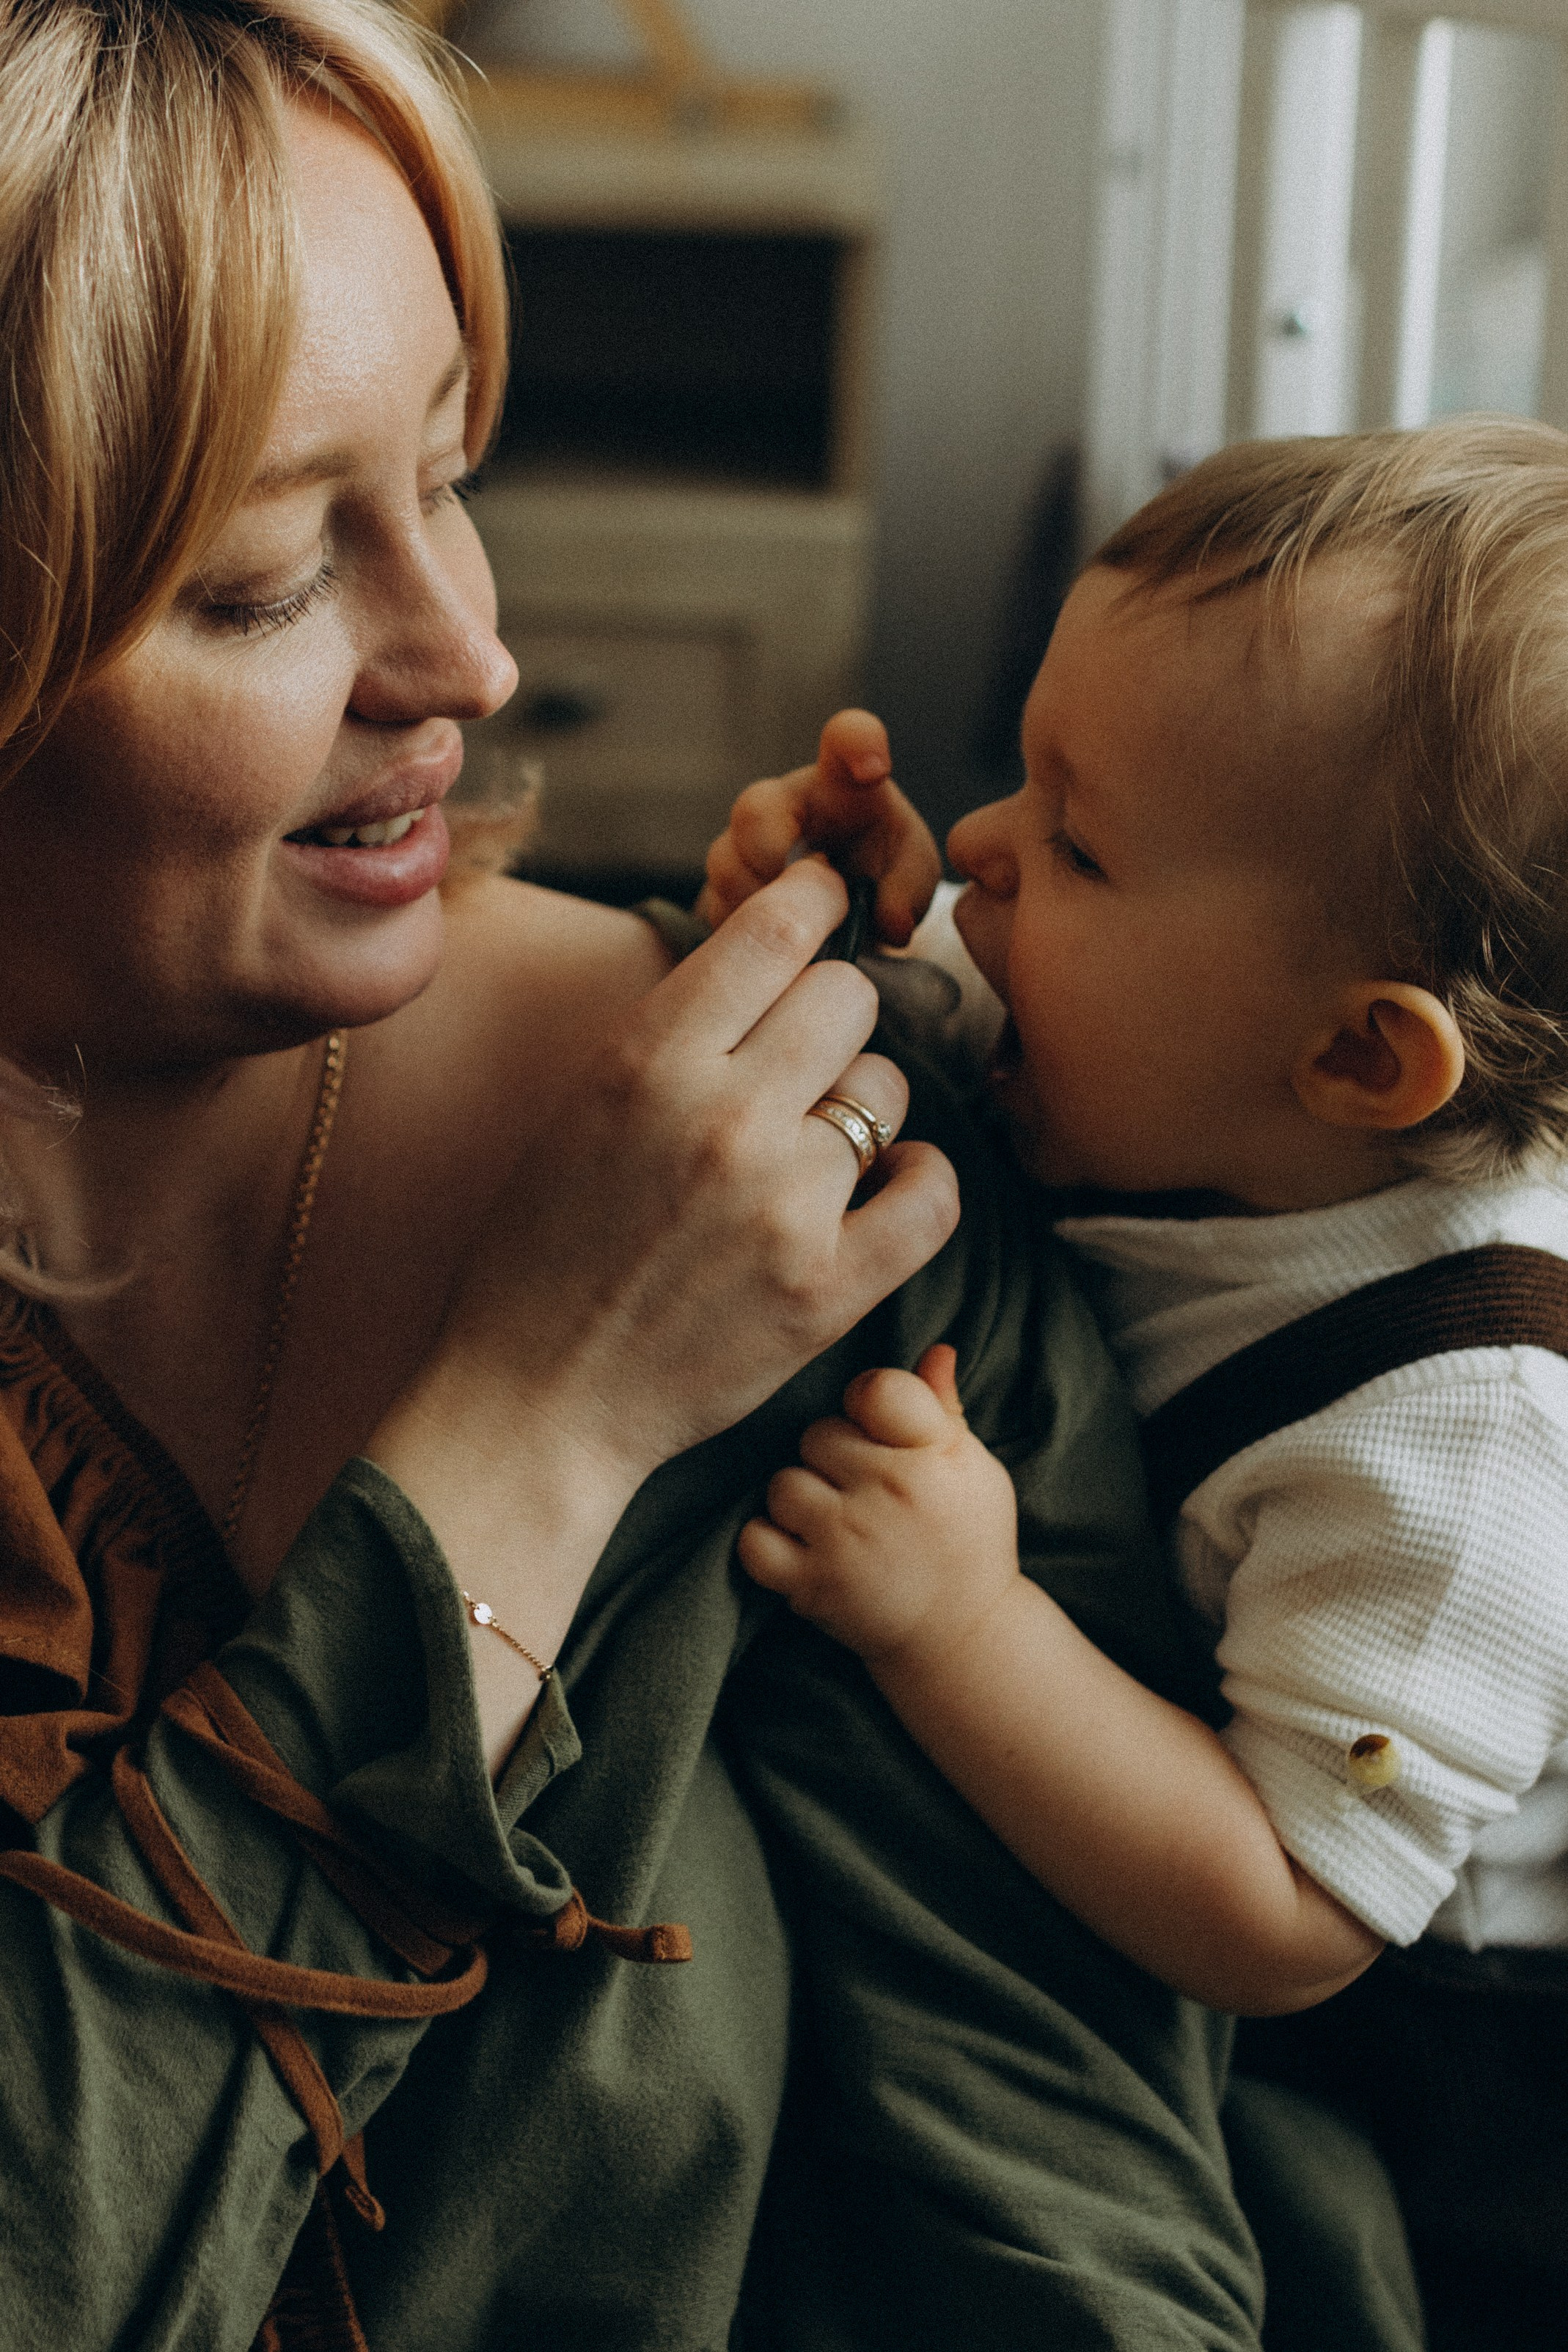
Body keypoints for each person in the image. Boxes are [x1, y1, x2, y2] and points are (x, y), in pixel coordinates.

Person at [0, 4, 1287, 2348]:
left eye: (457, 471)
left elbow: (1081, 2237)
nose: (472, 655)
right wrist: (531, 1433)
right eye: (272, 579)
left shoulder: (800, 1164)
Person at [706, 422, 1568, 2349]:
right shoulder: (1210, 1068)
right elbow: (949, 1013)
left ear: (1357, 1064)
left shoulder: (1461, 1437)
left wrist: (961, 1623)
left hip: (1455, 2055)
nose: (987, 846)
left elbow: (1278, 1912)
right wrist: (821, 917)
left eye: (1075, 845)